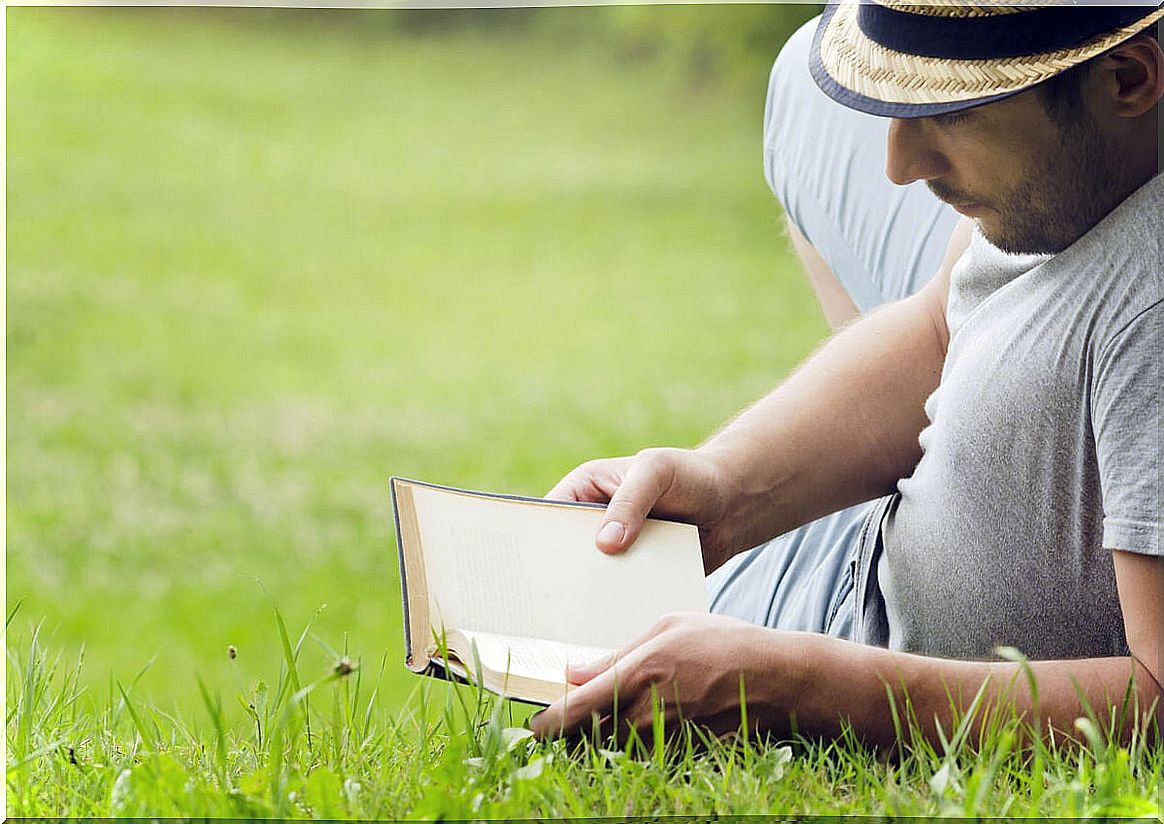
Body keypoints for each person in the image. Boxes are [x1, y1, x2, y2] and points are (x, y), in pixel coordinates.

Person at [530, 0, 1164, 747]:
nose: (898, 165)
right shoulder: (1070, 166)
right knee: (802, 80)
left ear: (1126, 78)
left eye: (952, 115)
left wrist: (804, 689)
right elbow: (940, 322)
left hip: (853, 663)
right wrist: (725, 490)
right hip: (850, 573)